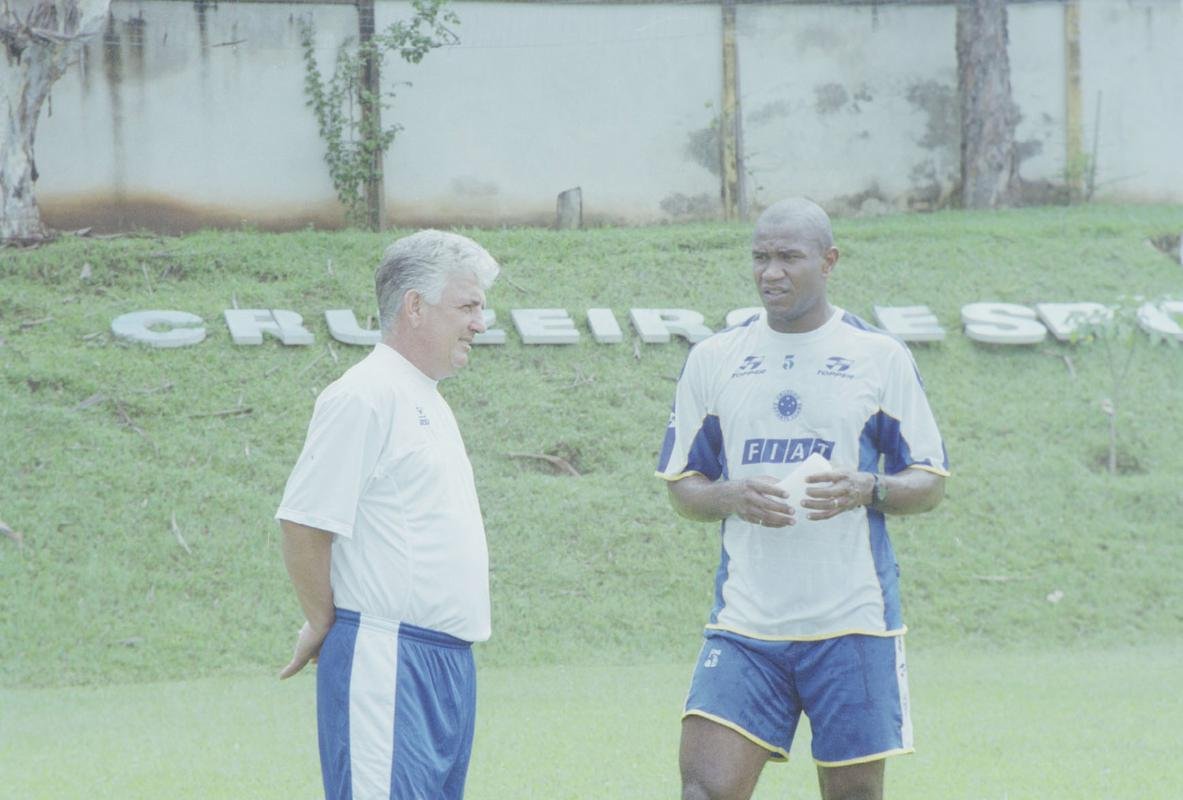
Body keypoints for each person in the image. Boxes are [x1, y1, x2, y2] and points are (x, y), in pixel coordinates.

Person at [656, 197, 949, 800]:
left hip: (853, 625)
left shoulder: (879, 356)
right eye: (761, 257)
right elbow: (684, 486)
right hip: (746, 625)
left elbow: (930, 481)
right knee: (702, 793)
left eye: (789, 257)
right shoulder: (715, 359)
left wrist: (870, 488)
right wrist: (731, 494)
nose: (771, 272)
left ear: (829, 260)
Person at [275, 229, 499, 800]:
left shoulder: (427, 397)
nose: (481, 321)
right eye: (468, 306)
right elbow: (304, 522)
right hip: (388, 656)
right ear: (415, 306)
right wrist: (324, 622)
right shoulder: (363, 395)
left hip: (446, 664)